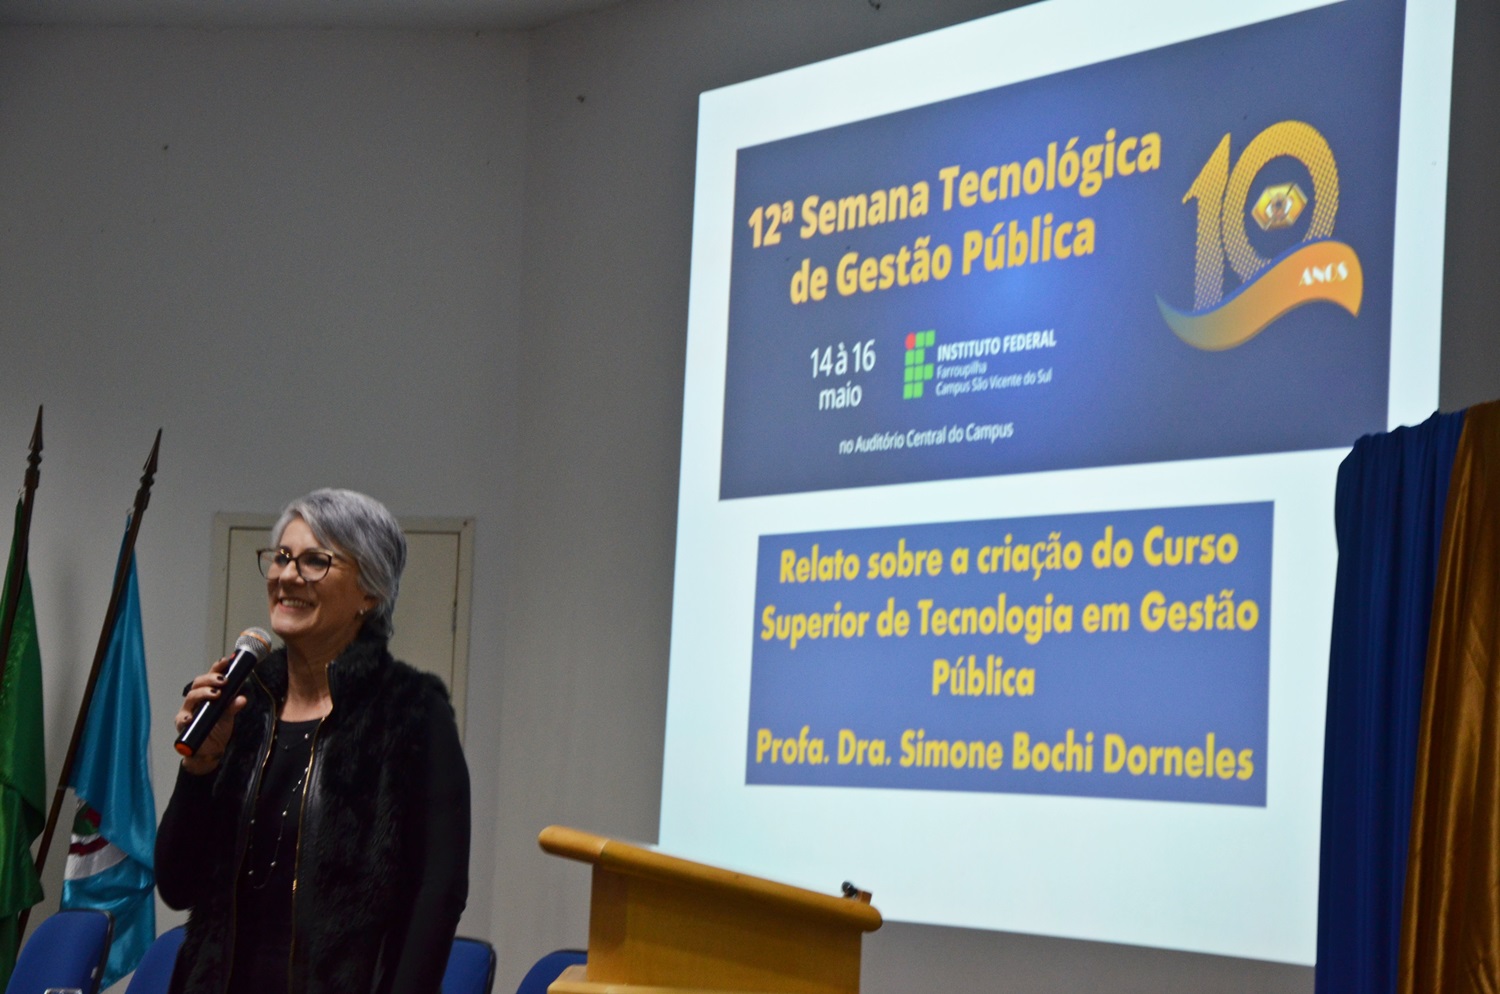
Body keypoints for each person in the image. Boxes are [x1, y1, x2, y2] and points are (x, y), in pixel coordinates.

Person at [157, 489, 469, 994]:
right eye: (282, 557)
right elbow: (177, 886)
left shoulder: (411, 712)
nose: (287, 575)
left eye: (315, 561)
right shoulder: (243, 705)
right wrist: (199, 769)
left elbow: (440, 893)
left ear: (370, 593)